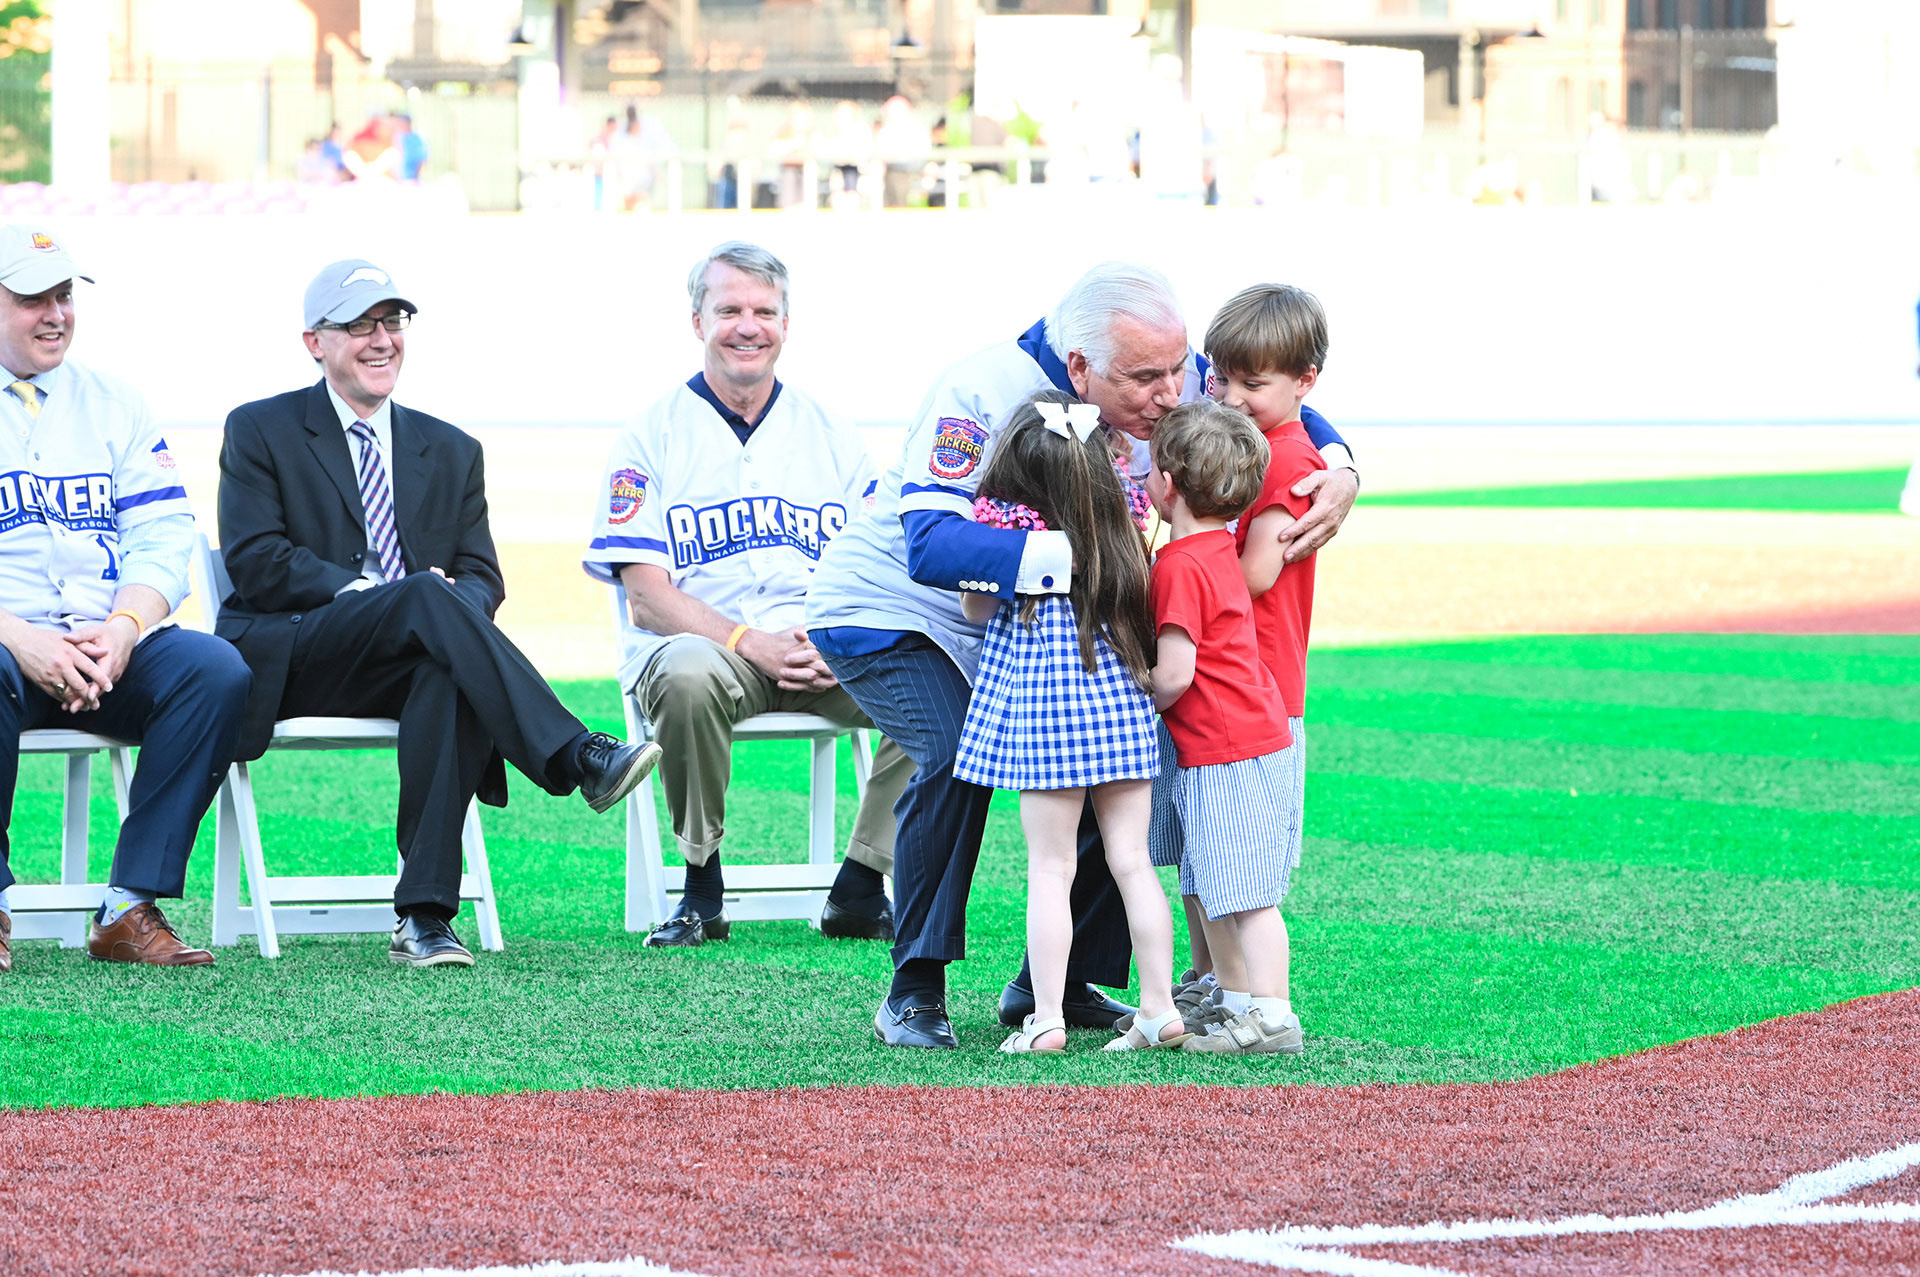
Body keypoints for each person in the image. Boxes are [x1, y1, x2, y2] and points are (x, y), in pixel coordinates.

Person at [805, 261, 1359, 1049]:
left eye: (1180, 369)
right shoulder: (977, 391)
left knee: (1117, 748)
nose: (1176, 392)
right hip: (888, 611)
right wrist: (1092, 559)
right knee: (953, 748)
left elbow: (1270, 399)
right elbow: (930, 545)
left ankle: (1055, 983)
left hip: (1039, 629)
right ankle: (915, 986)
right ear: (1079, 368)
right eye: (1148, 377)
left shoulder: (1164, 372)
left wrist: (1341, 465)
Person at [216, 259, 662, 969]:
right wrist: (379, 595)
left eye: (391, 322)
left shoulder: (451, 449)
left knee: (445, 669)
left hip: (408, 659)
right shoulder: (260, 429)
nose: (382, 338)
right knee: (426, 595)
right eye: (359, 324)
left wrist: (439, 604)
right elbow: (256, 562)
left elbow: (483, 575)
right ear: (314, 341)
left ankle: (423, 917)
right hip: (302, 650)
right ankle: (578, 753)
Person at [583, 242, 911, 948]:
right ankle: (702, 883)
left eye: (764, 311)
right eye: (729, 309)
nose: (747, 326)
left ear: (786, 325)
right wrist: (746, 642)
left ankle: (861, 879)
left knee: (934, 674)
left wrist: (837, 639)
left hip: (821, 652)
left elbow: (879, 566)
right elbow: (645, 596)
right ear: (696, 320)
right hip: (711, 653)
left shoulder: (831, 433)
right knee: (684, 670)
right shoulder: (653, 433)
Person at [0, 224, 251, 971]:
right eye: (32, 298)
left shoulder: (116, 401)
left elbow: (167, 534)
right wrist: (22, 637)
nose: (56, 314)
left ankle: (128, 905)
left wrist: (124, 627)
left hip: (104, 646)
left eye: (65, 295)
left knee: (215, 669)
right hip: (9, 648)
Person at [952, 392, 1187, 1054]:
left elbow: (973, 608)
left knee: (1050, 868)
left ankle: (1047, 1017)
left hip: (1047, 721)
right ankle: (1159, 1006)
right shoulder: (1120, 533)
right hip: (1120, 712)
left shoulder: (1013, 539)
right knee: (1134, 862)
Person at [1146, 284, 1334, 1012]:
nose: (1230, 396)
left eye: (1253, 384)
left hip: (1257, 688)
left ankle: (1249, 996)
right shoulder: (1254, 441)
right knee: (1202, 853)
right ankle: (1214, 983)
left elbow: (1256, 571)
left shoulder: (1284, 458)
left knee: (1238, 867)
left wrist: (1188, 548)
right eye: (1221, 377)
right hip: (1226, 685)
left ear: (1305, 382)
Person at [1144, 399, 1304, 1055]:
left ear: (1171, 483)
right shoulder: (1216, 546)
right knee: (1221, 882)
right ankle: (1240, 1003)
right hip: (1241, 739)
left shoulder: (1180, 563)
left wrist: (1135, 687)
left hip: (1226, 746)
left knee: (1247, 893)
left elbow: (1176, 673)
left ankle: (1272, 1015)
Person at [392, 114, 428, 182]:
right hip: (397, 180)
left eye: (401, 123)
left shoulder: (417, 139)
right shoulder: (397, 137)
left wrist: (416, 176)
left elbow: (422, 160)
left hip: (411, 180)